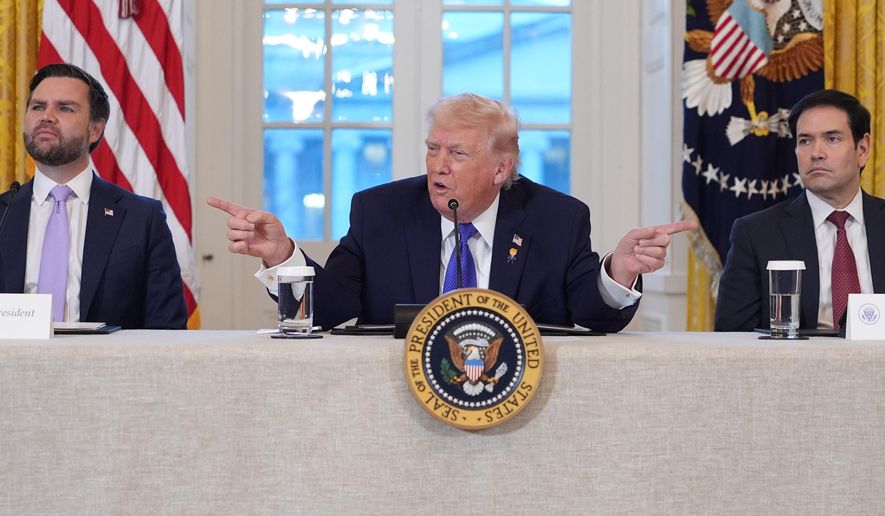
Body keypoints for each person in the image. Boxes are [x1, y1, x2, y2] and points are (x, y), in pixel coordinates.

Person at [209, 93, 695, 331]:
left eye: (458, 154)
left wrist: (620, 270)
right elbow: (330, 307)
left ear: (501, 169)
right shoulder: (380, 211)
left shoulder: (557, 218)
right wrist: (282, 257)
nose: (438, 166)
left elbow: (593, 315)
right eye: (432, 149)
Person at [0, 63, 187, 329]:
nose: (47, 117)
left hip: (110, 358)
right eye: (38, 107)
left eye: (65, 108)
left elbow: (167, 329)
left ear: (95, 130)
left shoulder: (142, 219)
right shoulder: (4, 213)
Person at [716, 89, 885, 331]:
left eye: (832, 139)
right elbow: (732, 337)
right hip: (795, 356)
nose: (816, 153)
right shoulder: (756, 233)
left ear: (862, 149)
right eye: (805, 141)